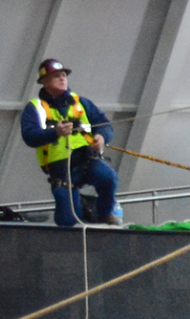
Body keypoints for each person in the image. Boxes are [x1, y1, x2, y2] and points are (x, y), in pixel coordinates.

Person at [19, 59, 120, 227]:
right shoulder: (35, 108)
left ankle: (105, 215)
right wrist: (55, 133)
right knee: (68, 221)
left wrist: (102, 137)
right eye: (56, 76)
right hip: (61, 171)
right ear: (44, 82)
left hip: (88, 160)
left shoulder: (82, 103)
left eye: (63, 75)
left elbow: (105, 125)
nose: (62, 78)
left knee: (108, 177)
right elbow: (29, 136)